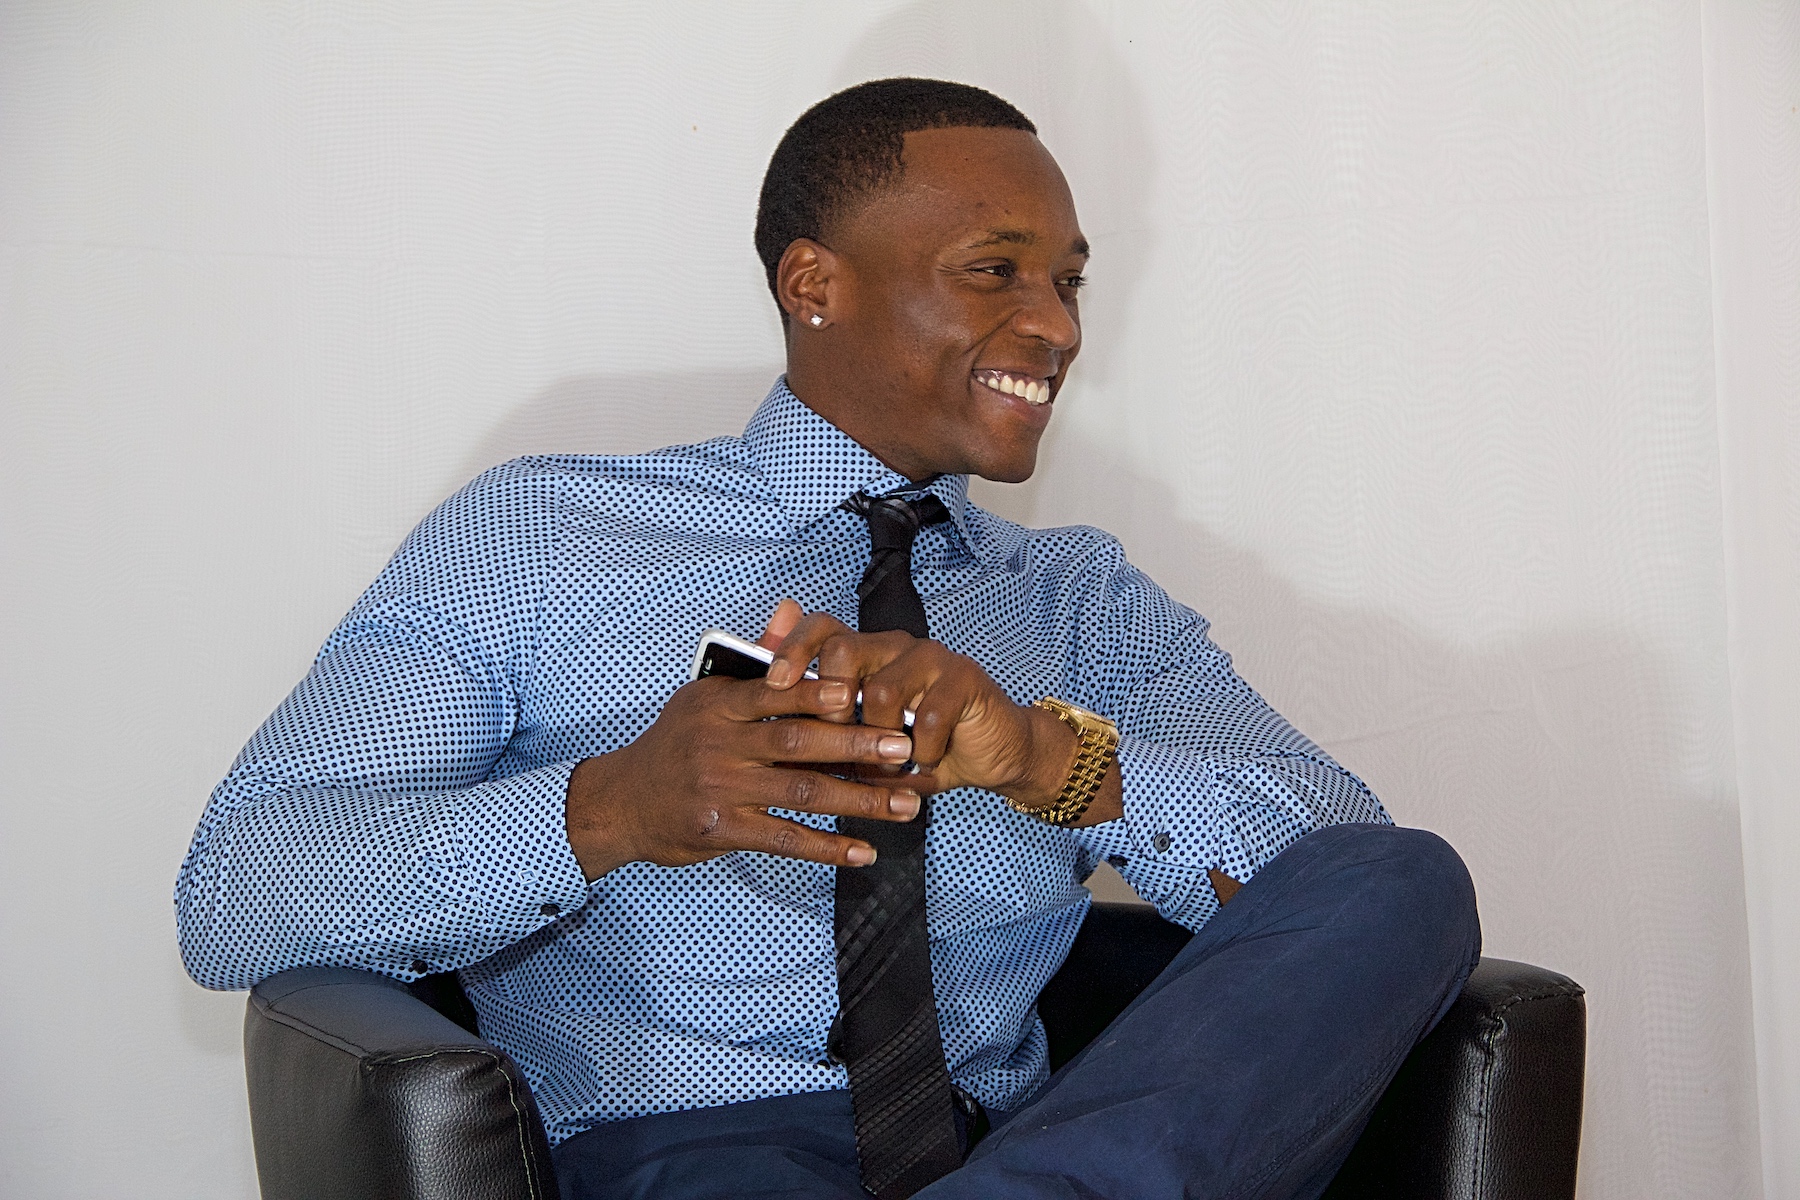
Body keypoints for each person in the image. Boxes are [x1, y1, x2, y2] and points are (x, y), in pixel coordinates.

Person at [176, 78, 1479, 1199]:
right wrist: (608, 806)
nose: (1060, 326)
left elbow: (1335, 884)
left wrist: (1046, 761)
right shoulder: (541, 537)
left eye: (1070, 282)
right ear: (815, 284)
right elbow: (233, 892)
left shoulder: (1079, 600)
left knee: (1405, 877)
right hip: (696, 1150)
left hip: (1024, 1149)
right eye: (996, 270)